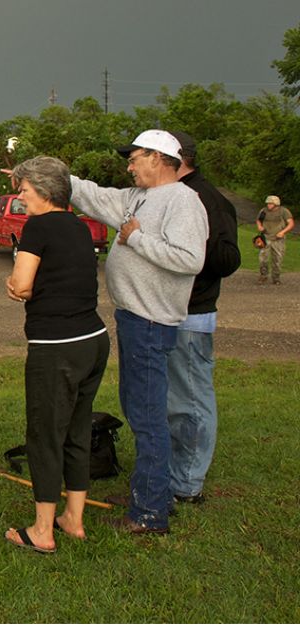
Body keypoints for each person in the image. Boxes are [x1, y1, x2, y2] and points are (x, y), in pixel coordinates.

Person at [69, 129, 208, 535]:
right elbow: (95, 196)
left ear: (159, 157)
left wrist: (137, 238)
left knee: (148, 418)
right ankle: (152, 492)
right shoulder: (138, 197)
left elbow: (190, 259)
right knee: (138, 410)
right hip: (134, 317)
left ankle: (149, 514)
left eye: (135, 157)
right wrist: (51, 175)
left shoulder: (183, 200)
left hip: (151, 321)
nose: (129, 165)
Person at [2, 156, 109, 553]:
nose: (21, 197)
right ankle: (73, 519)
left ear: (44, 191)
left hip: (56, 346)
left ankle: (43, 530)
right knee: (77, 430)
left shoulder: (39, 226)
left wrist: (13, 284)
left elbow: (23, 283)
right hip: (94, 338)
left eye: (25, 190)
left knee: (45, 435)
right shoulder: (80, 227)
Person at [166, 131, 241, 507]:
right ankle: (173, 471)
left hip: (191, 315)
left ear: (176, 161)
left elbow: (228, 259)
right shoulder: (172, 196)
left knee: (190, 400)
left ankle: (187, 484)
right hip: (164, 315)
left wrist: (193, 243)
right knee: (171, 398)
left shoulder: (205, 199)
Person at [256, 195, 294, 285]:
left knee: (277, 260)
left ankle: (276, 278)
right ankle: (263, 276)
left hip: (278, 240)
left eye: (271, 203)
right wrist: (260, 226)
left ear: (276, 204)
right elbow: (258, 220)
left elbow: (291, 224)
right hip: (265, 238)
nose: (268, 205)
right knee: (262, 259)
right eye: (268, 203)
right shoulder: (263, 211)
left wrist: (283, 232)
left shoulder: (284, 211)